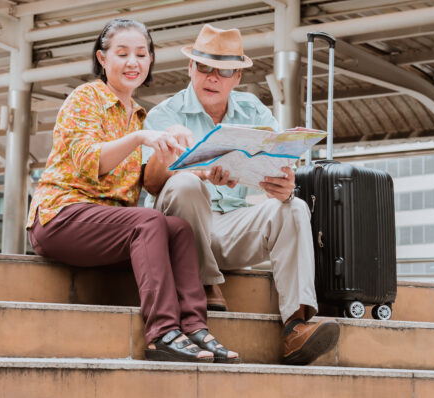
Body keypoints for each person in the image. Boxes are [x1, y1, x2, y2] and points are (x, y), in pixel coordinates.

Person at [26, 18, 240, 363]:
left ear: (151, 60)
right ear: (102, 58)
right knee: (150, 221)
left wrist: (207, 172)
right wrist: (141, 138)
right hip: (61, 217)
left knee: (178, 229)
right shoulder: (86, 98)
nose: (133, 63)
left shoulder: (138, 115)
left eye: (141, 54)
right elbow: (89, 160)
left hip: (109, 225)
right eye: (122, 53)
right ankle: (163, 333)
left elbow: (145, 178)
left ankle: (195, 328)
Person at [142, 24, 339, 365]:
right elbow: (150, 182)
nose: (212, 77)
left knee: (294, 207)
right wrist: (200, 172)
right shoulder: (165, 115)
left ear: (237, 77)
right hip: (181, 236)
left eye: (224, 71)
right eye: (204, 67)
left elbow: (280, 161)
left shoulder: (254, 111)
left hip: (230, 226)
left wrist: (284, 185)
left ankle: (296, 326)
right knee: (187, 185)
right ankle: (204, 283)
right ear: (190, 68)